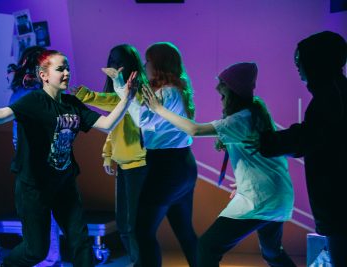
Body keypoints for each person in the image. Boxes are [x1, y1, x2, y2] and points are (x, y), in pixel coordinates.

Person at [0, 49, 137, 267]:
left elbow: (107, 124)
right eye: (60, 69)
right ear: (43, 75)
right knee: (35, 250)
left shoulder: (72, 104)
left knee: (80, 242)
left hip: (64, 184)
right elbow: (2, 115)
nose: (66, 73)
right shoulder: (34, 101)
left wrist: (127, 99)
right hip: (34, 187)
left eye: (67, 68)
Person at [142, 62, 297, 267]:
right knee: (272, 253)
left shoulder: (241, 120)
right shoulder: (253, 114)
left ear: (234, 90)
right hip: (277, 195)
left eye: (222, 84)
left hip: (260, 198)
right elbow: (264, 157)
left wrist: (158, 109)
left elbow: (194, 130)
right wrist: (248, 181)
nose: (217, 89)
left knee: (207, 247)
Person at [247, 31, 347, 267]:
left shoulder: (331, 97)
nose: (297, 67)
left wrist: (267, 142)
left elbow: (309, 136)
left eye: (300, 60)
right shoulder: (335, 92)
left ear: (316, 61)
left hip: (337, 200)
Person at [113, 42, 198, 267]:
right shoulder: (175, 89)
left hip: (167, 168)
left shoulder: (166, 92)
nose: (144, 65)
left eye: (148, 61)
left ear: (159, 64)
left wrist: (122, 90)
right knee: (185, 233)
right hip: (182, 165)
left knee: (142, 231)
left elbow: (143, 121)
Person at [74, 44, 148, 266]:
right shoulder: (119, 93)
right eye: (112, 60)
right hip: (123, 167)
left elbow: (112, 101)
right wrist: (108, 154)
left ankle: (142, 262)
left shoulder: (137, 91)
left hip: (140, 165)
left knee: (134, 225)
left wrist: (83, 94)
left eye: (119, 61)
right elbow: (113, 125)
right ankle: (138, 261)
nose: (115, 65)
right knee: (124, 225)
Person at [7, 45, 62, 267]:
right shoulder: (30, 93)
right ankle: (49, 257)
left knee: (39, 212)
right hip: (36, 157)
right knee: (41, 211)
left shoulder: (24, 93)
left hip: (37, 157)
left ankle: (48, 257)